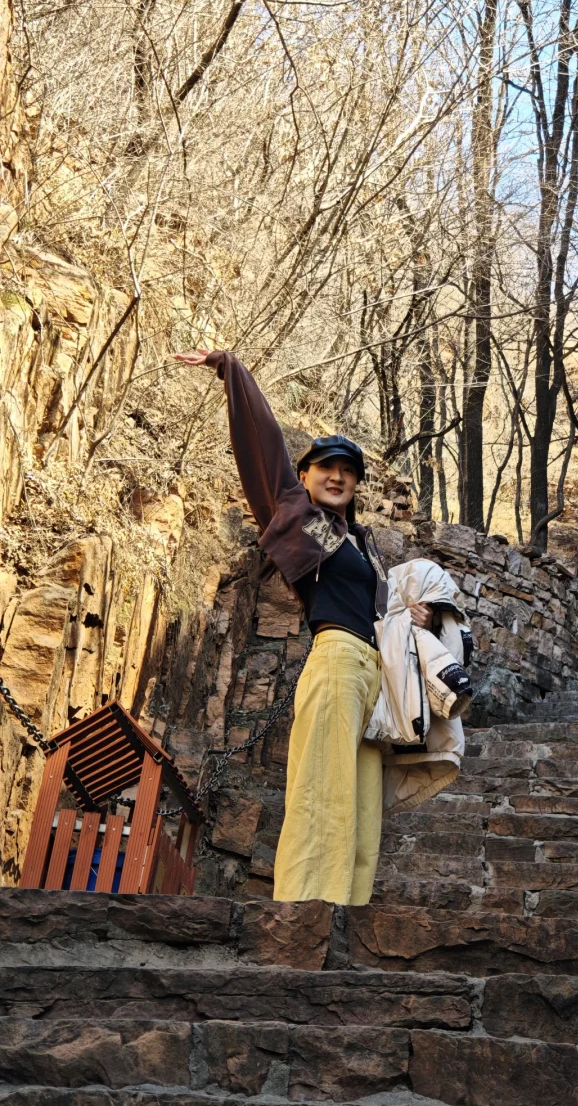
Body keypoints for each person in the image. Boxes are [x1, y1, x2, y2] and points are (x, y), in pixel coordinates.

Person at [173, 348, 432, 906]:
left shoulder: (358, 545)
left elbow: (382, 612)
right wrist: (231, 369)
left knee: (362, 809)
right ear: (305, 477)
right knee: (322, 791)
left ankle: (345, 918)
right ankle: (301, 916)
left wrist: (410, 615)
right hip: (336, 660)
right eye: (326, 468)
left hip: (375, 678)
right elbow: (263, 452)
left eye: (348, 472)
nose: (338, 477)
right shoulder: (301, 520)